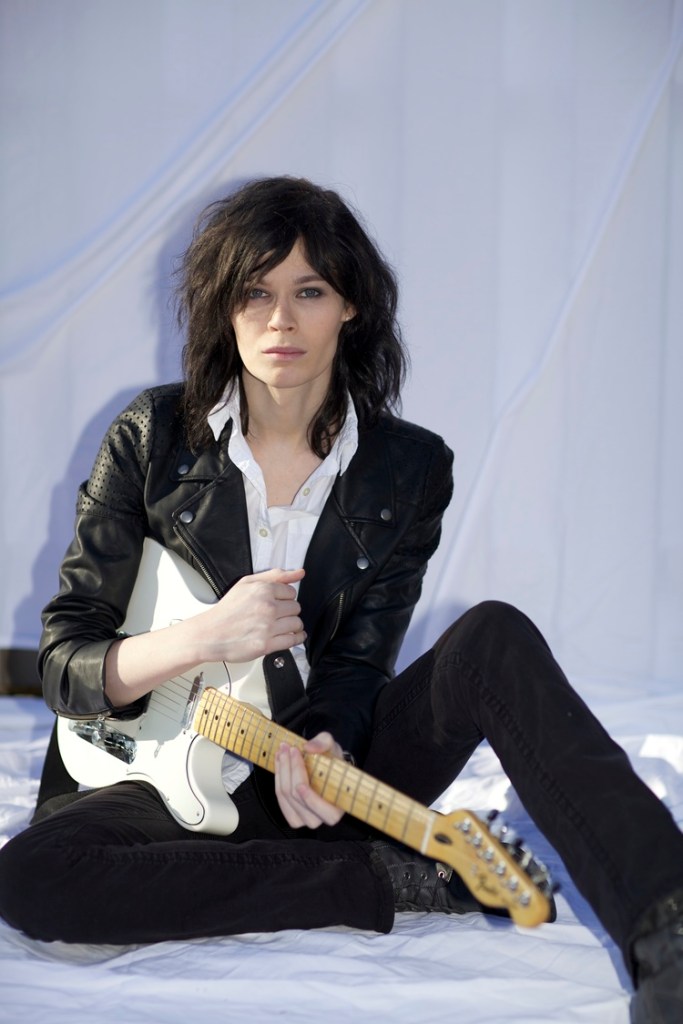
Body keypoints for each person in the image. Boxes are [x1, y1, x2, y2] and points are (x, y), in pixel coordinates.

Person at [0, 176, 680, 1023]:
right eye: (255, 292)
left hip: (309, 781)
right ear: (222, 307)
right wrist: (206, 635)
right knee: (34, 878)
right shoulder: (151, 437)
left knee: (491, 638)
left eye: (309, 292)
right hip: (150, 773)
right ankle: (386, 876)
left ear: (350, 305)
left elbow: (359, 664)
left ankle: (667, 928)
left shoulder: (408, 469)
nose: (280, 321)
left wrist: (325, 741)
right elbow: (66, 662)